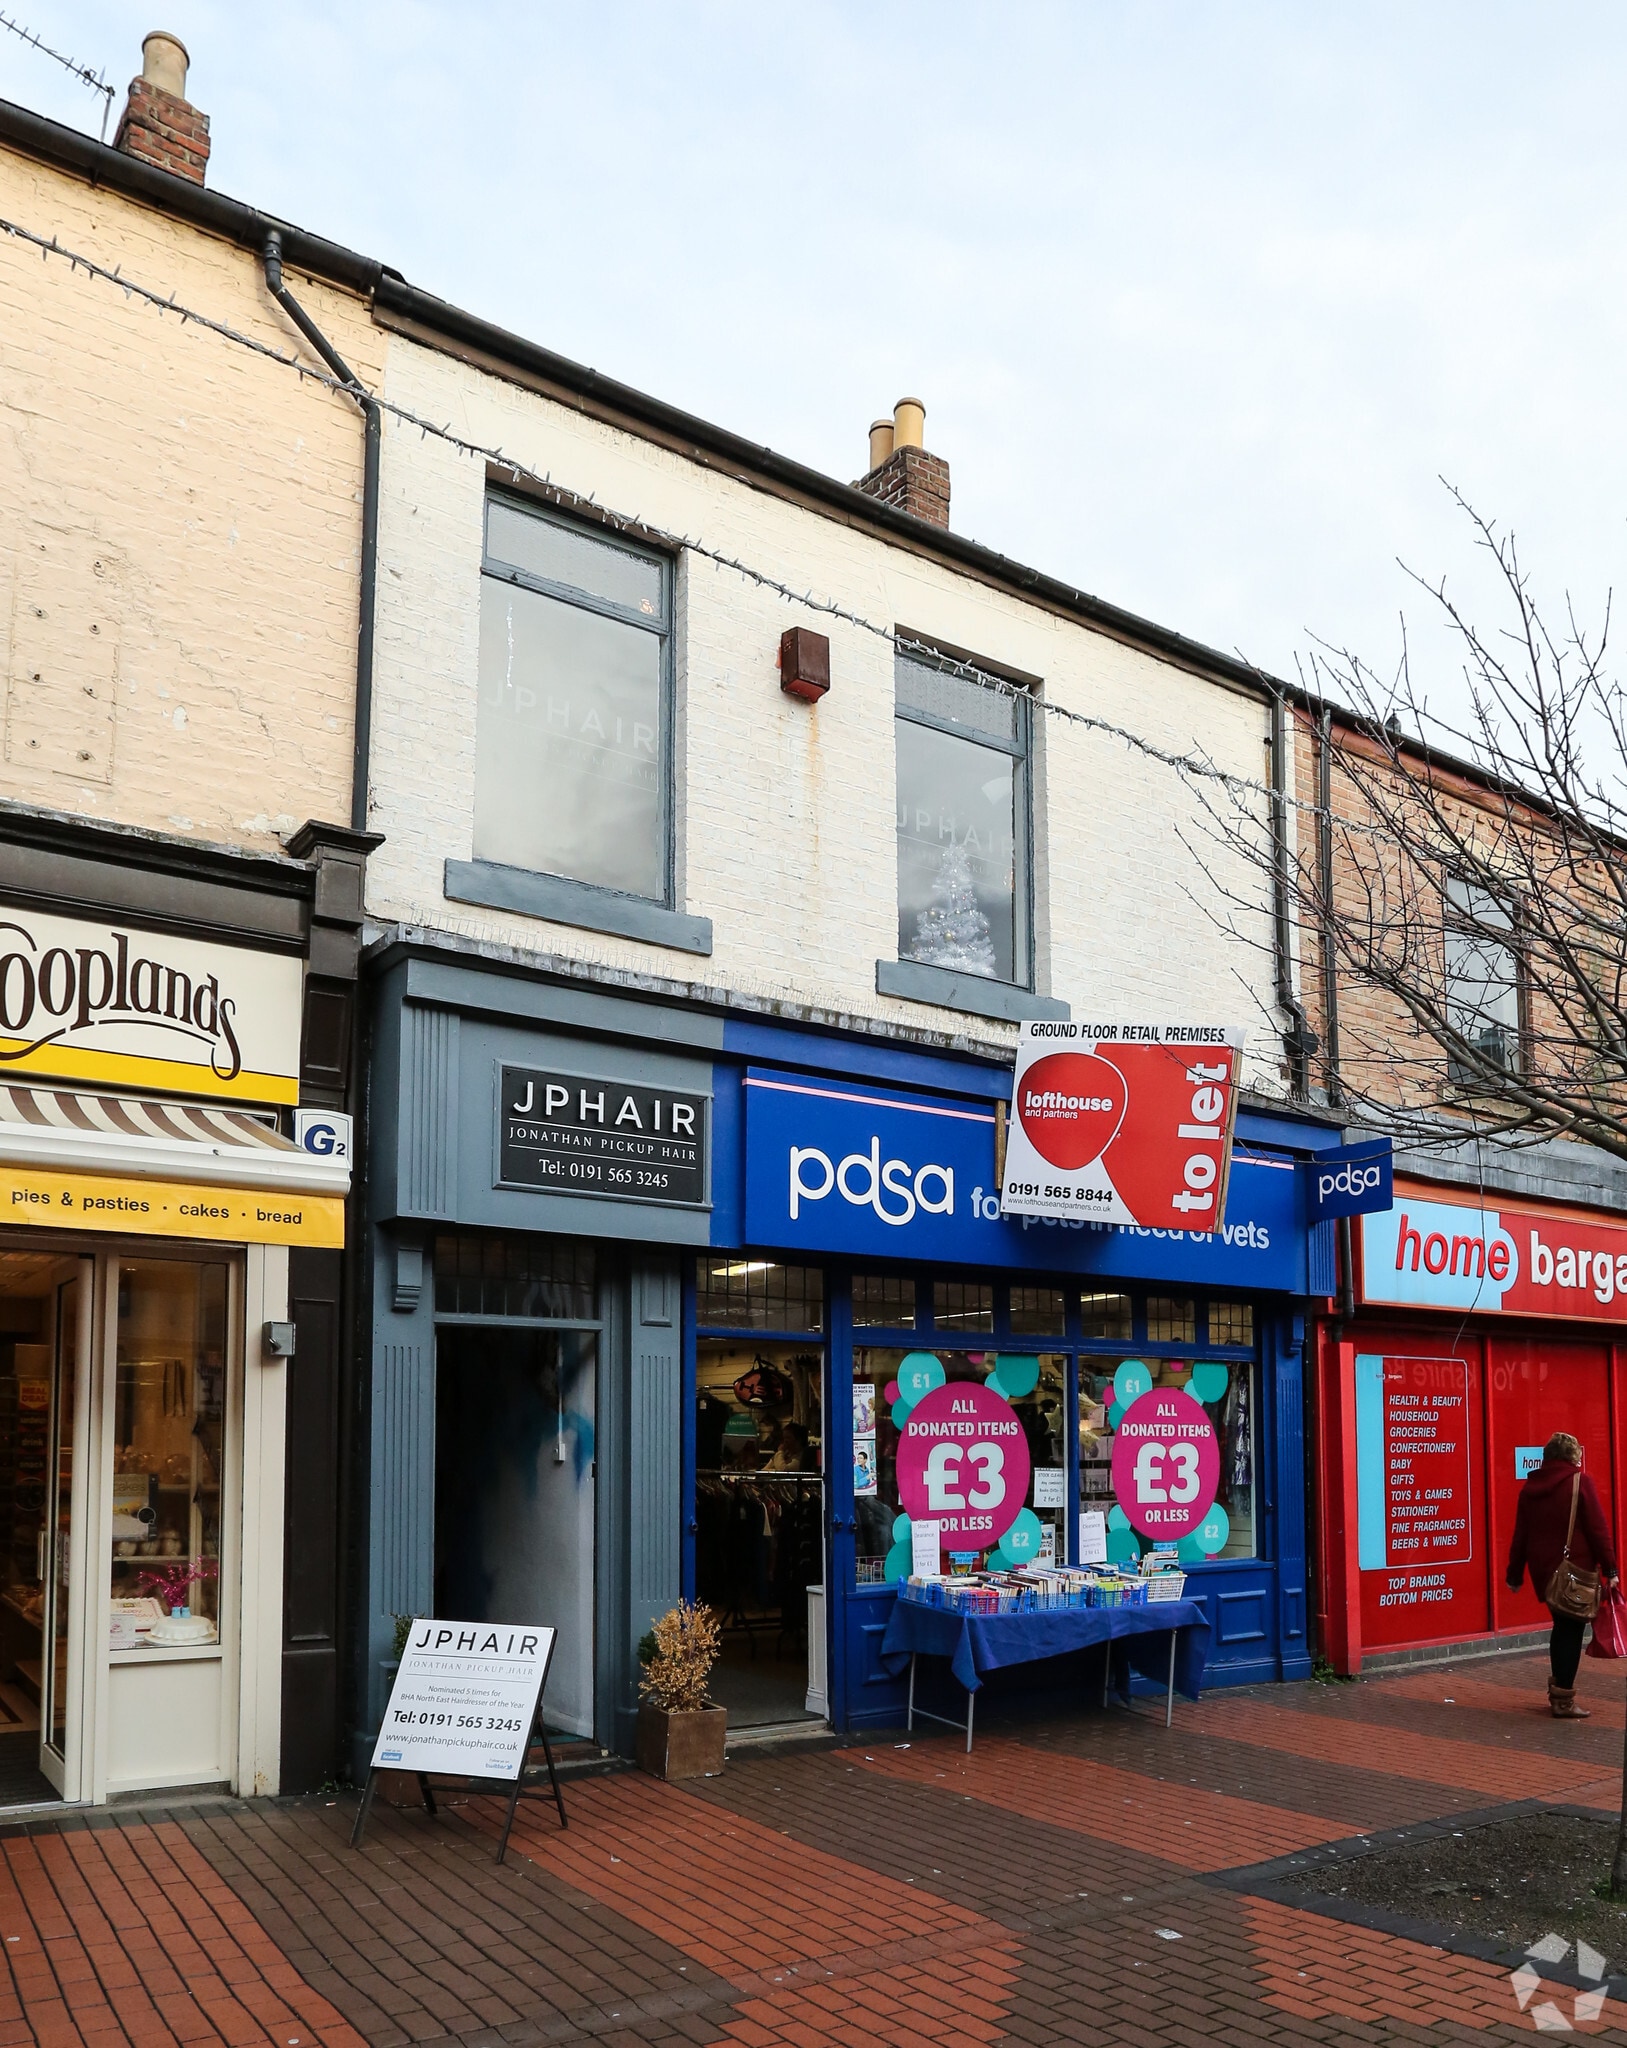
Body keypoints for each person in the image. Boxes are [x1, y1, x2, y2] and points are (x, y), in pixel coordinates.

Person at [1506, 1431, 1619, 1718]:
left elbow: (1521, 1535)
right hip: (1574, 1573)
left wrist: (1515, 1574)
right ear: (1572, 1457)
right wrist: (1611, 1569)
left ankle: (1558, 1692)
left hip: (1545, 1574)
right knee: (1571, 1632)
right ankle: (1563, 1700)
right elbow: (1598, 1530)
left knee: (1561, 1628)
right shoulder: (1580, 1483)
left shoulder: (1530, 1488)